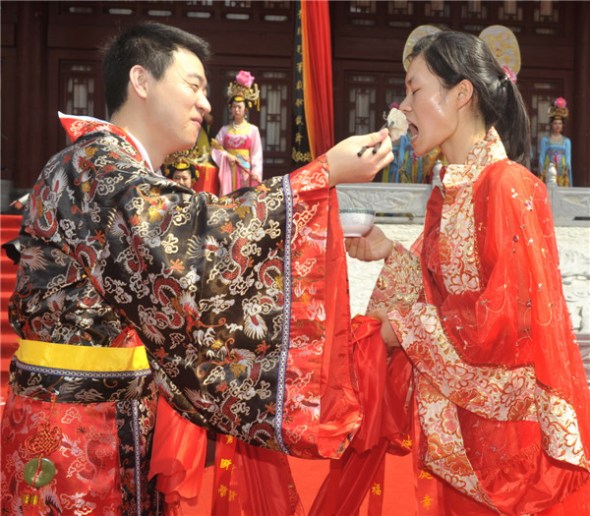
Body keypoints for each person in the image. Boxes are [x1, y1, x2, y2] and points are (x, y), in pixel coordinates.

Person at [0, 21, 392, 514]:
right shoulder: (97, 166)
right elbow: (197, 240)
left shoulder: (117, 169)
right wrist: (323, 173)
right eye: (194, 85)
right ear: (141, 81)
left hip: (112, 411)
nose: (207, 105)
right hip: (71, 422)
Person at [346, 30, 590, 515]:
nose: (403, 108)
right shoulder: (448, 192)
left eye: (415, 90)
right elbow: (441, 287)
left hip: (503, 433)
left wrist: (402, 329)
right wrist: (389, 252)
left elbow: (504, 315)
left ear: (461, 94)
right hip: (459, 421)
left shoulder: (507, 185)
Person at [211, 70, 263, 195]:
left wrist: (256, 172)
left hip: (246, 171)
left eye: (240, 107)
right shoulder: (225, 130)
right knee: (229, 197)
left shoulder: (253, 130)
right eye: (234, 107)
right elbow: (215, 146)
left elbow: (256, 154)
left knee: (244, 199)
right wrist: (226, 155)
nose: (237, 109)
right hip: (229, 169)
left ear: (246, 109)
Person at [538, 96, 573, 186]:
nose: (558, 126)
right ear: (551, 125)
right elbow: (541, 158)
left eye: (560, 123)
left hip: (562, 174)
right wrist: (542, 172)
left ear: (562, 126)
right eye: (555, 123)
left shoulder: (566, 141)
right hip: (548, 172)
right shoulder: (545, 140)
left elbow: (568, 159)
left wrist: (566, 172)